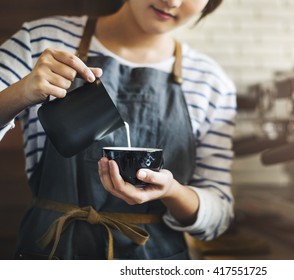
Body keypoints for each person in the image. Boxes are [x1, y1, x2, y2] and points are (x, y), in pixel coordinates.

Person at [0, 0, 236, 259]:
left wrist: (173, 192)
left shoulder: (211, 82)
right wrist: (20, 93)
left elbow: (219, 215)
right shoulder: (40, 40)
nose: (172, 2)